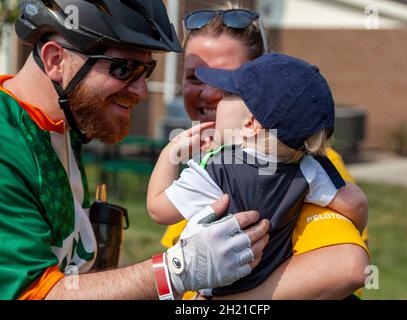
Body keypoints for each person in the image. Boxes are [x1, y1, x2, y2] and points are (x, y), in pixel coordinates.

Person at [0, 0, 270, 300]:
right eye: (124, 69)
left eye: (147, 70)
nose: (142, 91)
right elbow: (34, 294)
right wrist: (174, 271)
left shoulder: (62, 127)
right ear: (55, 60)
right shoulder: (6, 143)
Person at [160, 6, 371, 299]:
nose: (210, 93)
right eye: (195, 77)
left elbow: (347, 267)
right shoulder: (209, 163)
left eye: (228, 82)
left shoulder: (303, 165)